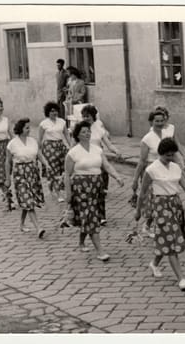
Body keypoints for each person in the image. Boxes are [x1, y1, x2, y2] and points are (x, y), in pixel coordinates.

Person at [135, 138, 185, 291]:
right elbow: (143, 192)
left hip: (175, 205)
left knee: (168, 238)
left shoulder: (176, 168)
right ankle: (181, 278)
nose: (170, 158)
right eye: (167, 155)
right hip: (160, 207)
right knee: (171, 239)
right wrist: (138, 210)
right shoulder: (151, 169)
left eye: (172, 155)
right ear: (160, 153)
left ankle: (154, 263)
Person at [64, 121, 124, 260]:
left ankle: (81, 241)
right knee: (90, 216)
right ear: (77, 135)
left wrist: (117, 176)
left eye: (88, 131)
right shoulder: (73, 152)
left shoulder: (97, 149)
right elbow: (67, 174)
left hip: (96, 187)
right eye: (84, 132)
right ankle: (100, 251)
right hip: (81, 188)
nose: (87, 134)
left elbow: (106, 165)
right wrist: (68, 194)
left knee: (90, 216)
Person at [131, 109, 177, 237]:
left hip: (166, 171)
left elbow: (173, 154)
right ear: (151, 122)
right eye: (157, 121)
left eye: (162, 120)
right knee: (151, 199)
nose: (160, 123)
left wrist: (179, 167)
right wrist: (135, 179)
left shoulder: (166, 135)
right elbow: (141, 161)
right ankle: (147, 225)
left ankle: (156, 224)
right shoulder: (147, 139)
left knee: (164, 198)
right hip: (152, 171)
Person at [5, 118, 50, 238]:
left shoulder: (33, 141)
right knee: (28, 200)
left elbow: (39, 155)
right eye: (27, 128)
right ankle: (38, 228)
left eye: (29, 127)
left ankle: (22, 223)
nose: (29, 130)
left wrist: (46, 165)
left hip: (33, 172)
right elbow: (8, 162)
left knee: (28, 200)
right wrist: (7, 178)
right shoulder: (12, 144)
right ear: (20, 129)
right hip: (20, 173)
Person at [81, 105, 121, 225]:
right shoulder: (80, 128)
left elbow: (108, 144)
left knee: (100, 190)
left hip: (98, 160)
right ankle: (88, 213)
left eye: (87, 116)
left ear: (93, 116)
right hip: (85, 161)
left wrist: (116, 151)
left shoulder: (99, 128)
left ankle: (101, 215)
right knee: (87, 190)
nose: (85, 118)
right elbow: (74, 145)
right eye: (83, 116)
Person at [38, 101, 70, 202]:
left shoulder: (62, 122)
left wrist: (70, 146)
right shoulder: (43, 124)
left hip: (60, 146)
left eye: (56, 111)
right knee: (53, 169)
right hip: (49, 148)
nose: (54, 113)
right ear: (48, 112)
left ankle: (52, 184)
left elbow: (66, 135)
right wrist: (38, 151)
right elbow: (40, 138)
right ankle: (58, 192)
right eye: (52, 111)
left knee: (62, 169)